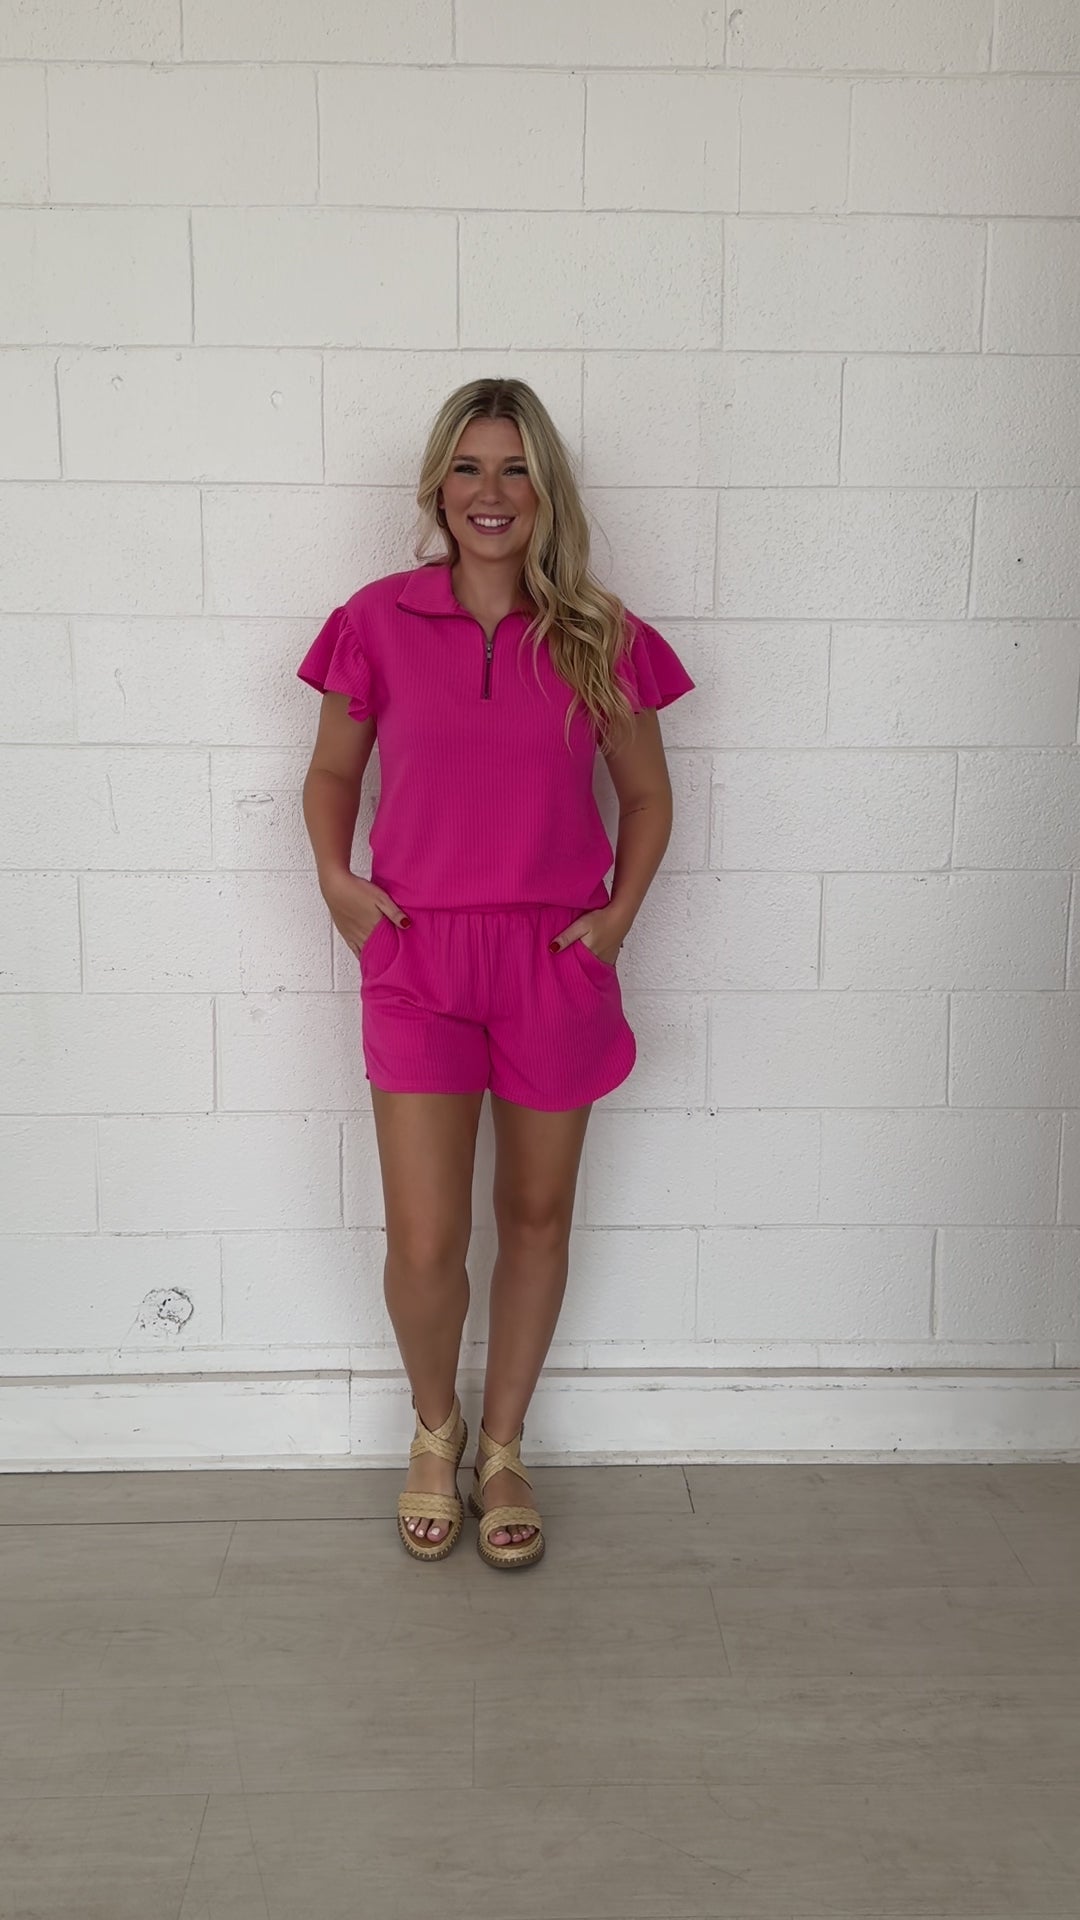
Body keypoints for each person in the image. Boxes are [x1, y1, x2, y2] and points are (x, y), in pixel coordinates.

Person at [296, 378, 695, 1570]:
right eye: (468, 468)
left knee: (534, 1215)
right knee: (426, 1239)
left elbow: (647, 798)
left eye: (515, 468)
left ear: (545, 489)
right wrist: (336, 880)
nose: (490, 492)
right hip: (419, 955)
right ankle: (436, 1429)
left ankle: (506, 1448)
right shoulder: (374, 621)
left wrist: (614, 920)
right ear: (437, 485)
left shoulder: (598, 633)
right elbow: (332, 775)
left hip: (550, 960)